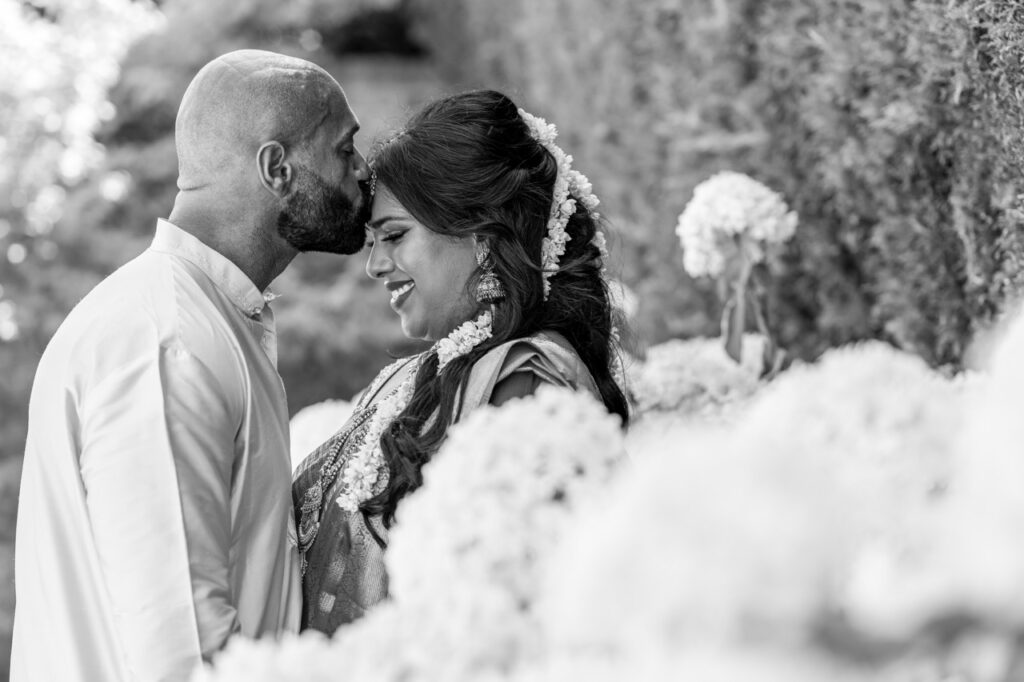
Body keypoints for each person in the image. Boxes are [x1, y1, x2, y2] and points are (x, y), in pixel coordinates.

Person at [12, 49, 371, 681]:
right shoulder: (169, 342)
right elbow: (179, 650)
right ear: (277, 168)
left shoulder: (199, 320)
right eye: (344, 150)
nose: (362, 172)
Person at [292, 89, 630, 634]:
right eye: (373, 243)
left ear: (483, 235)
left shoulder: (526, 389)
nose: (376, 265)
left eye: (394, 236)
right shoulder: (426, 373)